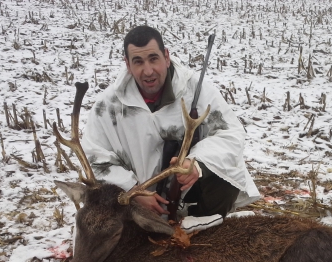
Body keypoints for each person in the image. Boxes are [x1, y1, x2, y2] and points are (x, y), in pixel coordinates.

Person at [82, 26, 260, 217]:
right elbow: (93, 158)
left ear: (166, 57)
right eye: (138, 62)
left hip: (187, 193)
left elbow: (231, 134)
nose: (148, 71)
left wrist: (196, 163)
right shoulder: (109, 105)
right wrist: (133, 191)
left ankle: (202, 228)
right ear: (127, 64)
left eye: (153, 59)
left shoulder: (194, 90)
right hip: (134, 203)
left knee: (224, 177)